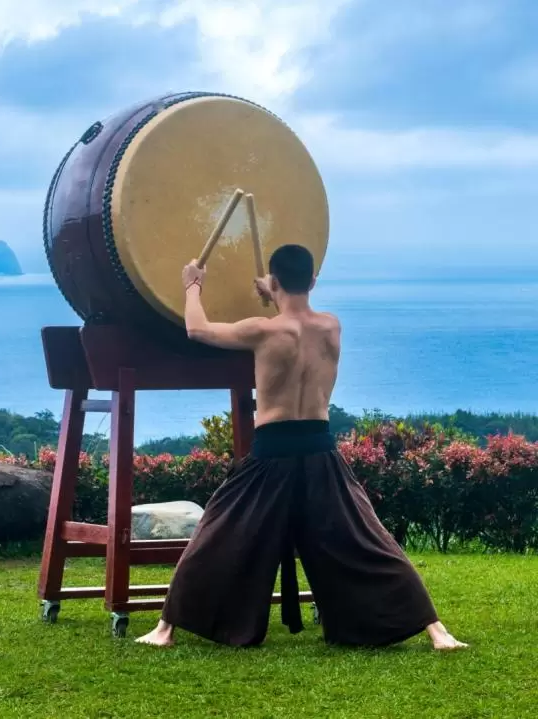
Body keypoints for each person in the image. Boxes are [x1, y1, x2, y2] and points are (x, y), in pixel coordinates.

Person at [135, 244, 466, 651]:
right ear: (312, 281)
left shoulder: (264, 329)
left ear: (274, 281)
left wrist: (192, 285)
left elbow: (197, 329)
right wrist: (274, 293)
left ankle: (165, 630)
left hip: (272, 454)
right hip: (321, 451)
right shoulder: (331, 326)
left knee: (214, 535)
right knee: (369, 540)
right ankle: (438, 632)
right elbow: (296, 320)